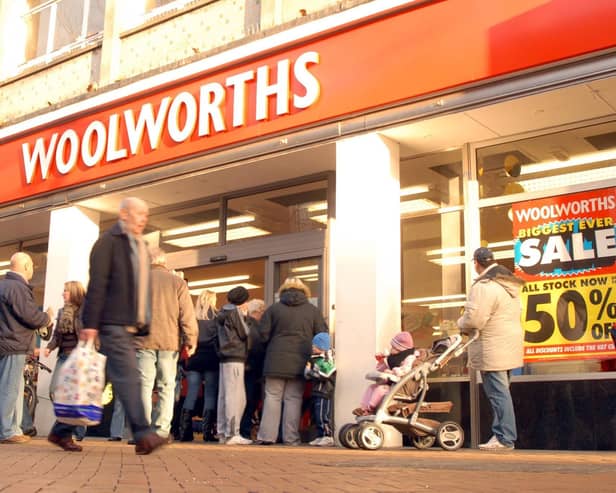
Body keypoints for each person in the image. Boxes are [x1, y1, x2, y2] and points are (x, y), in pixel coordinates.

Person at [77, 197, 166, 455]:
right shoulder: (108, 243)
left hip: (129, 325)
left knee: (98, 380)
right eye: (139, 214)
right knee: (129, 377)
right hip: (111, 322)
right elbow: (97, 284)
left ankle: (60, 430)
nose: (143, 219)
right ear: (124, 214)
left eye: (146, 215)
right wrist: (90, 324)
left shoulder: (139, 244)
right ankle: (143, 434)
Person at [457, 247, 524, 451]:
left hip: (492, 347)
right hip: (508, 345)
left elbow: (474, 319)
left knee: (498, 394)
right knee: (502, 392)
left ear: (476, 263)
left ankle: (504, 438)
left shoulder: (484, 286)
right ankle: (502, 434)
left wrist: (460, 323)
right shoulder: (508, 284)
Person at [134, 247, 197, 443]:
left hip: (142, 340)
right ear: (164, 262)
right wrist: (191, 338)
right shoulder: (177, 282)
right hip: (169, 342)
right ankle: (161, 431)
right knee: (167, 386)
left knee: (143, 386)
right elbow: (187, 314)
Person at [256, 277, 328, 446]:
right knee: (293, 399)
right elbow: (321, 335)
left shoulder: (273, 309)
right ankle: (291, 437)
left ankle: (267, 436)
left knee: (272, 397)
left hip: (275, 360)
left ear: (283, 290)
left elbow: (263, 335)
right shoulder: (313, 311)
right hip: (301, 361)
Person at [0, 252, 54, 444]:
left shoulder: (3, 285)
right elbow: (29, 316)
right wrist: (47, 317)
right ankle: (7, 431)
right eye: (31, 266)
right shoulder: (17, 288)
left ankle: (13, 428)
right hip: (15, 344)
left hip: (5, 344)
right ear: (25, 266)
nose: (33, 269)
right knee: (10, 389)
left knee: (10, 388)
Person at [45, 281, 88, 449]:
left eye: (66, 291)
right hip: (63, 357)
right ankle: (67, 431)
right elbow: (56, 335)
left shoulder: (85, 311)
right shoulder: (62, 312)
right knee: (55, 391)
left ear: (75, 293)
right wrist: (49, 347)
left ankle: (67, 435)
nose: (63, 294)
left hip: (78, 359)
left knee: (73, 396)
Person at [181, 289, 219, 442]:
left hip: (194, 358)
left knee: (192, 393)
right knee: (210, 394)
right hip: (211, 358)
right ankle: (207, 432)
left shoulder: (193, 318)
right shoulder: (217, 318)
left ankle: (184, 432)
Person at [216, 286, 252, 445]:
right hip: (235, 356)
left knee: (224, 395)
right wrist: (244, 317)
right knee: (236, 397)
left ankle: (223, 432)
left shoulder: (221, 312)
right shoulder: (234, 312)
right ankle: (233, 433)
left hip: (224, 357)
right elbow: (245, 333)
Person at [353, 331, 418, 416]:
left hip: (400, 385)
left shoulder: (409, 357)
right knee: (372, 387)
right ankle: (363, 408)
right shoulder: (393, 357)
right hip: (390, 382)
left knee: (380, 390)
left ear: (400, 349)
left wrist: (393, 371)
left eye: (393, 347)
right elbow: (380, 369)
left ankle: (370, 409)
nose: (391, 349)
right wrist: (381, 361)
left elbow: (406, 370)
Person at [240, 298, 266, 440]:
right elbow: (257, 348)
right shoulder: (256, 327)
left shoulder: (244, 323)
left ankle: (242, 430)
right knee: (250, 401)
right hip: (253, 369)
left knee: (243, 400)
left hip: (244, 367)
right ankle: (244, 431)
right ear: (258, 312)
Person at [304, 332, 336, 446]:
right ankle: (320, 435)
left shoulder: (326, 360)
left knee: (323, 415)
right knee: (317, 415)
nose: (312, 347)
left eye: (315, 346)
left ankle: (328, 435)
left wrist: (313, 372)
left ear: (322, 347)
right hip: (317, 390)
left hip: (324, 391)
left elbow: (327, 374)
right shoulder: (316, 359)